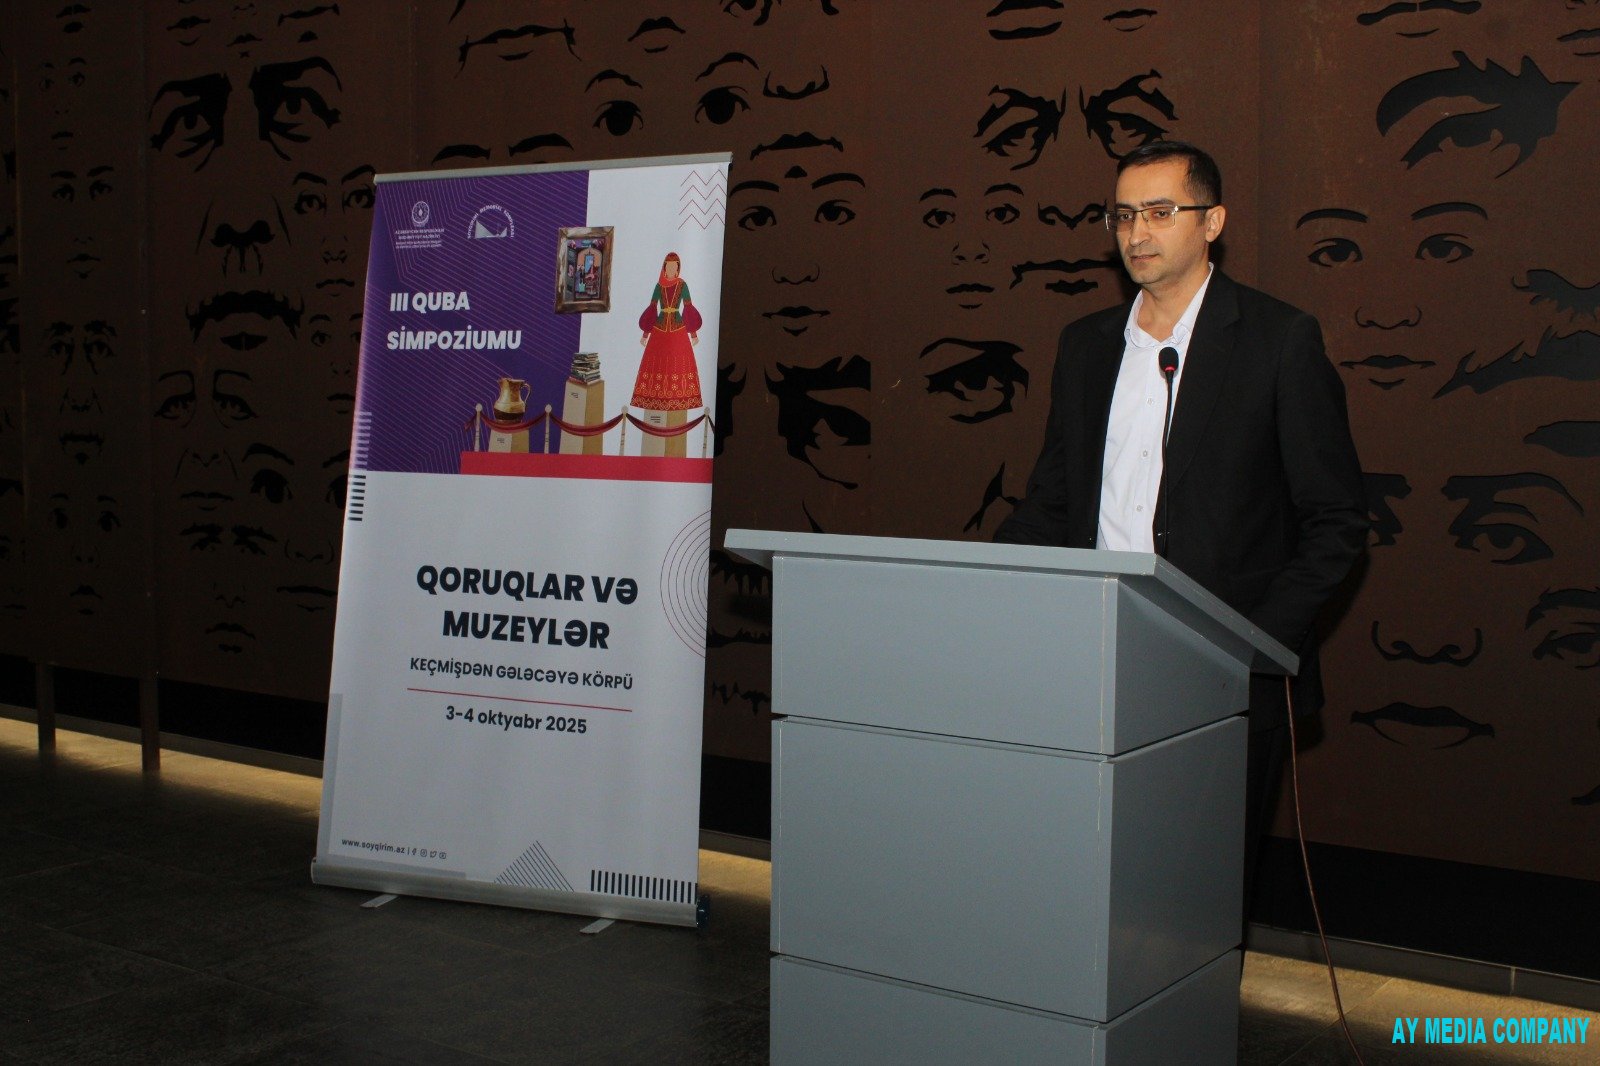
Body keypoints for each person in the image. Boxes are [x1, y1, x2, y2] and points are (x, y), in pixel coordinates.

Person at [994, 140, 1368, 926]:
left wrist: (1248, 646)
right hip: (1091, 661)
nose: (1137, 232)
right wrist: (978, 590)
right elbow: (1053, 503)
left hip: (1222, 674)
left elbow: (1336, 522)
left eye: (1160, 212)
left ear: (1212, 222)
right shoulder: (1086, 344)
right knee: (1088, 886)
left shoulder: (1277, 340)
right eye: (1123, 215)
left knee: (1195, 906)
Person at [631, 251, 704, 412]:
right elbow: (652, 308)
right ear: (664, 268)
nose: (671, 269)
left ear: (678, 268)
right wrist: (645, 334)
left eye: (674, 266)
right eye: (669, 266)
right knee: (656, 362)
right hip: (659, 328)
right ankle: (653, 400)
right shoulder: (659, 286)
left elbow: (688, 308)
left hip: (678, 328)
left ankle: (680, 399)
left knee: (679, 362)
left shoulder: (683, 285)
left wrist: (693, 334)